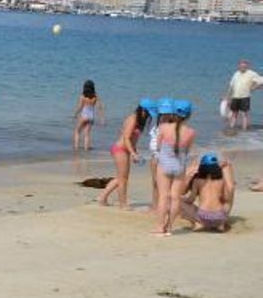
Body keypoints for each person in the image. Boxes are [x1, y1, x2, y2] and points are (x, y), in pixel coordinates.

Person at [152, 100, 196, 236]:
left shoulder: (164, 127)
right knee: (175, 197)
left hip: (164, 164)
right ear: (188, 115)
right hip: (179, 165)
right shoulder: (191, 132)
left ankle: (160, 227)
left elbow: (158, 147)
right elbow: (187, 151)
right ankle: (170, 227)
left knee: (163, 196)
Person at [97, 101, 151, 209]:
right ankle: (123, 203)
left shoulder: (139, 120)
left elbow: (133, 139)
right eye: (148, 112)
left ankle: (102, 197)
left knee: (121, 178)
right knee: (123, 179)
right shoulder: (133, 119)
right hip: (120, 149)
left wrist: (135, 152)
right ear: (142, 109)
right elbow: (126, 137)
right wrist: (132, 153)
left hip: (126, 150)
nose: (148, 115)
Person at [178, 153, 234, 232]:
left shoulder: (197, 181)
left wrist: (183, 200)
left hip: (203, 216)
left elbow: (191, 199)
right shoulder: (221, 181)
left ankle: (199, 223)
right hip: (219, 216)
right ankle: (220, 225)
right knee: (227, 203)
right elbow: (226, 197)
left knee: (179, 201)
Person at [227, 60, 263, 130]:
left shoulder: (251, 73)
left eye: (244, 66)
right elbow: (231, 86)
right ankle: (231, 128)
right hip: (235, 96)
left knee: (244, 114)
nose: (242, 67)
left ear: (247, 67)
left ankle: (244, 131)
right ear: (238, 66)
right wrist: (227, 96)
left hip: (245, 97)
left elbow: (261, 81)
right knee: (234, 113)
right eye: (241, 66)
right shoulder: (236, 74)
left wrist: (254, 88)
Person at [72, 80, 103, 151]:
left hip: (84, 116)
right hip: (91, 116)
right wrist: (101, 118)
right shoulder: (95, 96)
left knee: (77, 131)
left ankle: (76, 148)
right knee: (87, 134)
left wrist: (75, 114)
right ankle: (86, 149)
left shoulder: (82, 96)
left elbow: (80, 107)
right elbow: (100, 107)